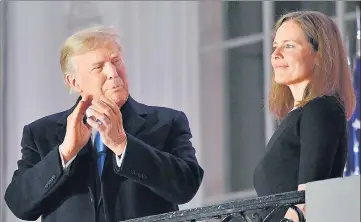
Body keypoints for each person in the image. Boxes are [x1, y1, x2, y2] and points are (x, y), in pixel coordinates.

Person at [4, 26, 204, 222]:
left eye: (116, 61)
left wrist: (122, 145)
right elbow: (20, 204)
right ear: (73, 82)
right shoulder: (41, 133)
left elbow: (186, 186)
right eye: (98, 67)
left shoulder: (166, 122)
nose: (113, 72)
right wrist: (65, 153)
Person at [253, 11, 356, 222]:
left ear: (319, 55)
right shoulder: (301, 115)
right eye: (275, 46)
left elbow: (307, 202)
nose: (276, 55)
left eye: (289, 46)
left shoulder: (321, 109)